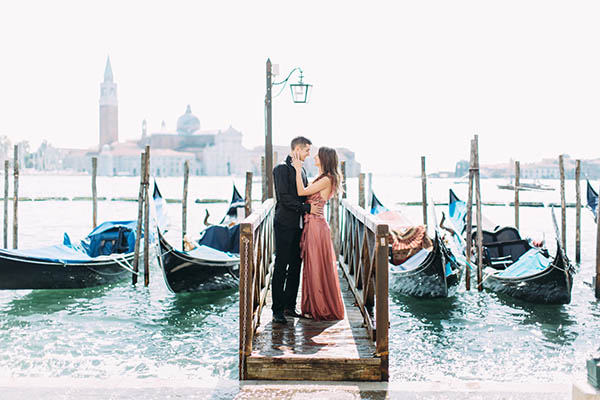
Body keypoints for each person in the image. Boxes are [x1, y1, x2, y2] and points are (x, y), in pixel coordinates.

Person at [271, 136, 322, 325]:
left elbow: (304, 194)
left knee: (295, 266)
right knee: (281, 266)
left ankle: (289, 306)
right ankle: (277, 310)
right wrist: (307, 209)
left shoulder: (302, 171)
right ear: (297, 150)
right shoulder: (281, 169)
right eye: (307, 150)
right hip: (284, 224)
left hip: (299, 225)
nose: (309, 154)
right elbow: (284, 198)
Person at [291, 146, 345, 321]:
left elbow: (301, 192)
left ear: (324, 159)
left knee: (316, 266)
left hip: (316, 226)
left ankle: (321, 306)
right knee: (313, 265)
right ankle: (313, 304)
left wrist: (298, 170)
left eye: (317, 155)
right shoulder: (322, 178)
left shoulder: (326, 179)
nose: (314, 156)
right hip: (314, 225)